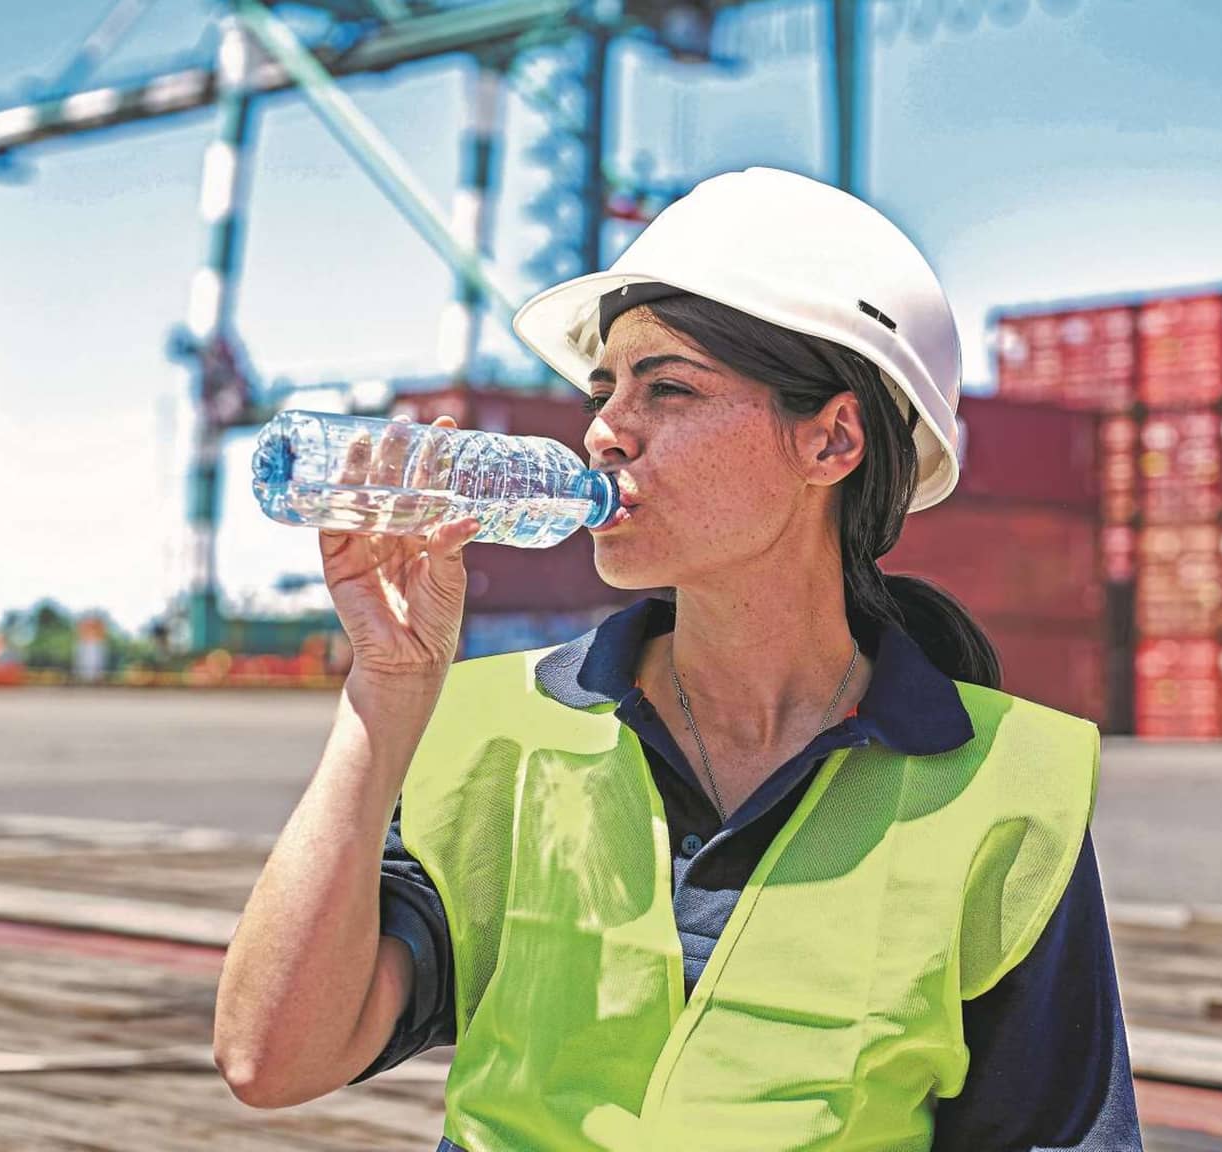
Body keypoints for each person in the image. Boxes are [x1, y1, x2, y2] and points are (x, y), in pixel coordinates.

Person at [214, 167, 1142, 1150]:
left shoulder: (1002, 784)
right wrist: (385, 696)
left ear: (830, 440)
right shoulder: (497, 731)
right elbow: (270, 1061)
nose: (603, 431)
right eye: (603, 387)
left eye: (667, 388)